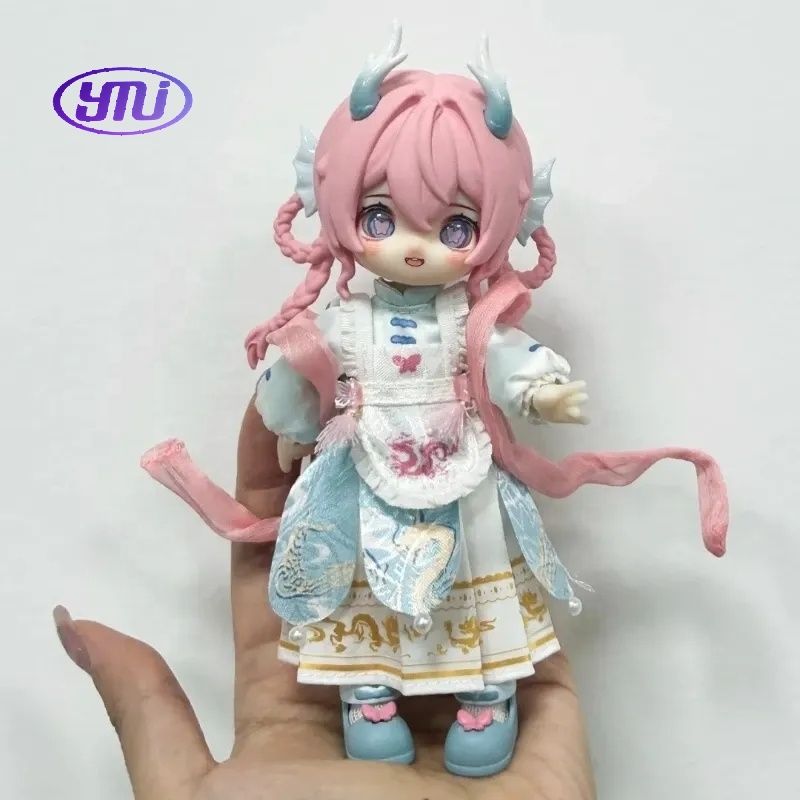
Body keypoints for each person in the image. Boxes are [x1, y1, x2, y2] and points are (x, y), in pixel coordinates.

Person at [53, 398, 596, 799]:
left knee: (470, 574)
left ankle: (486, 697)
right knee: (362, 586)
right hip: (366, 476)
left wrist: (541, 393)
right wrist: (292, 417)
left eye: (457, 235)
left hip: (460, 472)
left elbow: (507, 364)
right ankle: (368, 698)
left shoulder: (469, 326)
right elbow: (303, 380)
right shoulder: (349, 324)